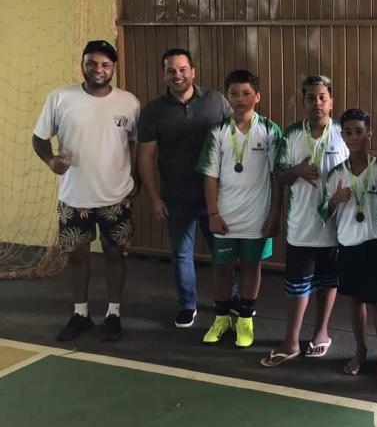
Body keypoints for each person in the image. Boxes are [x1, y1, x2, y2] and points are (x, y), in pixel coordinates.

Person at [33, 39, 140, 342]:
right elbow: (39, 137)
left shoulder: (129, 103)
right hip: (74, 197)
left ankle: (113, 314)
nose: (98, 69)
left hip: (116, 197)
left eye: (105, 64)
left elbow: (136, 144)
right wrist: (50, 160)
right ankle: (80, 314)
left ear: (113, 68)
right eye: (91, 63)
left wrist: (136, 180)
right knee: (77, 257)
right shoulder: (60, 98)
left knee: (115, 254)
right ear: (82, 65)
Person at [137, 48, 231, 328]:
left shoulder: (216, 101)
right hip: (176, 197)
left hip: (216, 197)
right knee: (181, 254)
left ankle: (230, 300)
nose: (177, 75)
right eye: (171, 70)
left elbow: (236, 139)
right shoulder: (152, 111)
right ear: (163, 75)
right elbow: (145, 157)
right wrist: (154, 198)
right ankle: (187, 304)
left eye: (182, 69)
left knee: (222, 253)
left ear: (193, 71)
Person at [261, 75, 348, 367]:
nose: (317, 103)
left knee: (329, 282)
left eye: (323, 97)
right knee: (298, 286)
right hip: (301, 226)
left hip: (335, 226)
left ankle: (321, 332)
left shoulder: (343, 133)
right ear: (304, 102)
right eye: (311, 98)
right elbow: (278, 176)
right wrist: (296, 171)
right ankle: (291, 341)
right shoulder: (291, 134)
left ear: (331, 101)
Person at [195, 70, 283, 349]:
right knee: (221, 268)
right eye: (234, 94)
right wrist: (213, 214)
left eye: (246, 93)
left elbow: (278, 176)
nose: (240, 99)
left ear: (257, 97)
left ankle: (245, 319)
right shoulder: (217, 132)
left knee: (251, 267)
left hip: (258, 217)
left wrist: (274, 215)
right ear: (227, 97)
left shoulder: (271, 130)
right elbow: (210, 175)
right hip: (225, 217)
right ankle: (221, 318)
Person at [321, 109, 377, 380]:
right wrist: (335, 199)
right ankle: (360, 350)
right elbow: (323, 212)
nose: (354, 137)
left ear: (369, 134)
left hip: (375, 244)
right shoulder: (335, 174)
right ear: (342, 136)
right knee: (354, 300)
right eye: (349, 132)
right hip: (347, 244)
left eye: (359, 131)